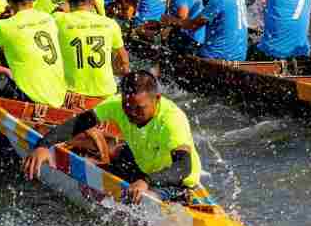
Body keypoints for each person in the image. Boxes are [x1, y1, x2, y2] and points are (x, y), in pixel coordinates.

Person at [24, 69, 204, 203]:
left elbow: (183, 166)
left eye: (139, 108)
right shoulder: (117, 104)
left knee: (144, 196)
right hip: (144, 165)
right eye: (127, 107)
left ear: (157, 99)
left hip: (175, 180)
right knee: (117, 151)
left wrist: (146, 182)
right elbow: (79, 123)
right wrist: (43, 145)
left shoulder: (172, 120)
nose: (131, 113)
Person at [55, 0, 128, 102]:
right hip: (105, 95)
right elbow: (124, 61)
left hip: (72, 95)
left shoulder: (59, 20)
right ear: (92, 0)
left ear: (68, 0)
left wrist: (62, 8)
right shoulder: (110, 24)